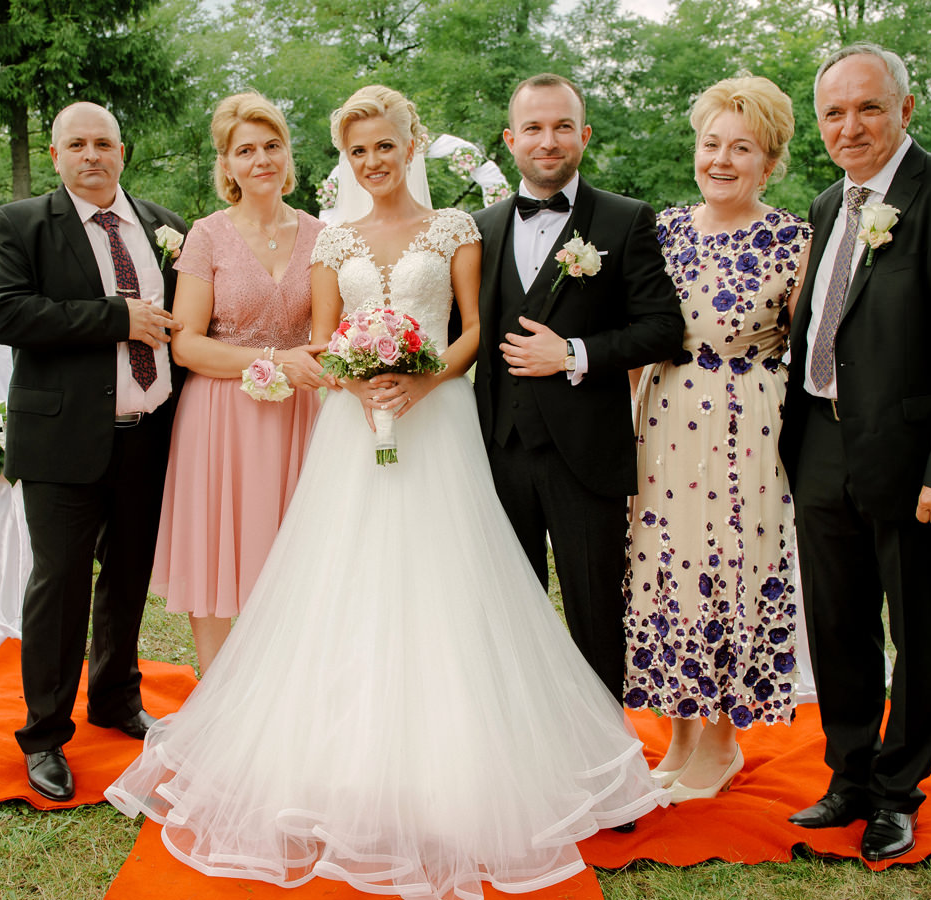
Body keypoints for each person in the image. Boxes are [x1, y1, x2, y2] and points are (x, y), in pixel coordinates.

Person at [106, 85, 666, 898]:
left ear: (412, 144)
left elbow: (473, 329)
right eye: (358, 149)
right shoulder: (333, 241)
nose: (373, 161)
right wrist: (358, 374)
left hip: (439, 425)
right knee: (347, 584)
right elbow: (324, 339)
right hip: (351, 428)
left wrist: (424, 377)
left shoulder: (455, 229)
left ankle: (463, 765)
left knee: (447, 585)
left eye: (385, 146)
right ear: (347, 157)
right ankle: (345, 766)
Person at [778, 43, 931, 861]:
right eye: (834, 112)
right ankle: (847, 776)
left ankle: (896, 792)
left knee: (917, 631)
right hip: (820, 445)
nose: (851, 126)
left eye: (869, 107)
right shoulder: (825, 204)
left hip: (916, 462)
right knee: (836, 623)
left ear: (905, 109)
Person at [0, 101, 189, 802]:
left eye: (104, 143)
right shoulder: (20, 224)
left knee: (128, 576)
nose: (92, 155)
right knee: (61, 585)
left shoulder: (164, 226)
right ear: (56, 155)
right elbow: (8, 314)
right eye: (77, 144)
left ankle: (114, 697)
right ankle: (45, 734)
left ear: (122, 152)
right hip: (61, 441)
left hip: (150, 435)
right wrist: (116, 317)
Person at [624, 75, 811, 803]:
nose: (722, 160)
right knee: (663, 567)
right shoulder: (663, 229)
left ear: (770, 162)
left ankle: (722, 744)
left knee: (733, 569)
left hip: (746, 422)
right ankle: (677, 736)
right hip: (665, 415)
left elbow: (814, 347)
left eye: (742, 148)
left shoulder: (792, 239)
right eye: (711, 144)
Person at [472, 74, 684, 702]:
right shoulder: (477, 229)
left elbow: (663, 329)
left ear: (584, 135)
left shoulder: (625, 219)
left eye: (562, 126)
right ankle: (527, 738)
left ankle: (607, 745)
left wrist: (572, 353)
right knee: (510, 614)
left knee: (596, 615)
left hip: (587, 457)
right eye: (533, 128)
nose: (548, 140)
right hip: (497, 452)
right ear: (510, 139)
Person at [150, 93, 327, 676]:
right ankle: (216, 693)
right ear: (226, 164)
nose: (261, 160)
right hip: (221, 415)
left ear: (288, 153)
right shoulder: (207, 235)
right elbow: (186, 345)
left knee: (294, 555)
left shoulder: (322, 236)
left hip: (298, 415)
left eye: (271, 146)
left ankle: (282, 691)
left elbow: (330, 332)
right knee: (217, 554)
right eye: (245, 150)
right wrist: (275, 360)